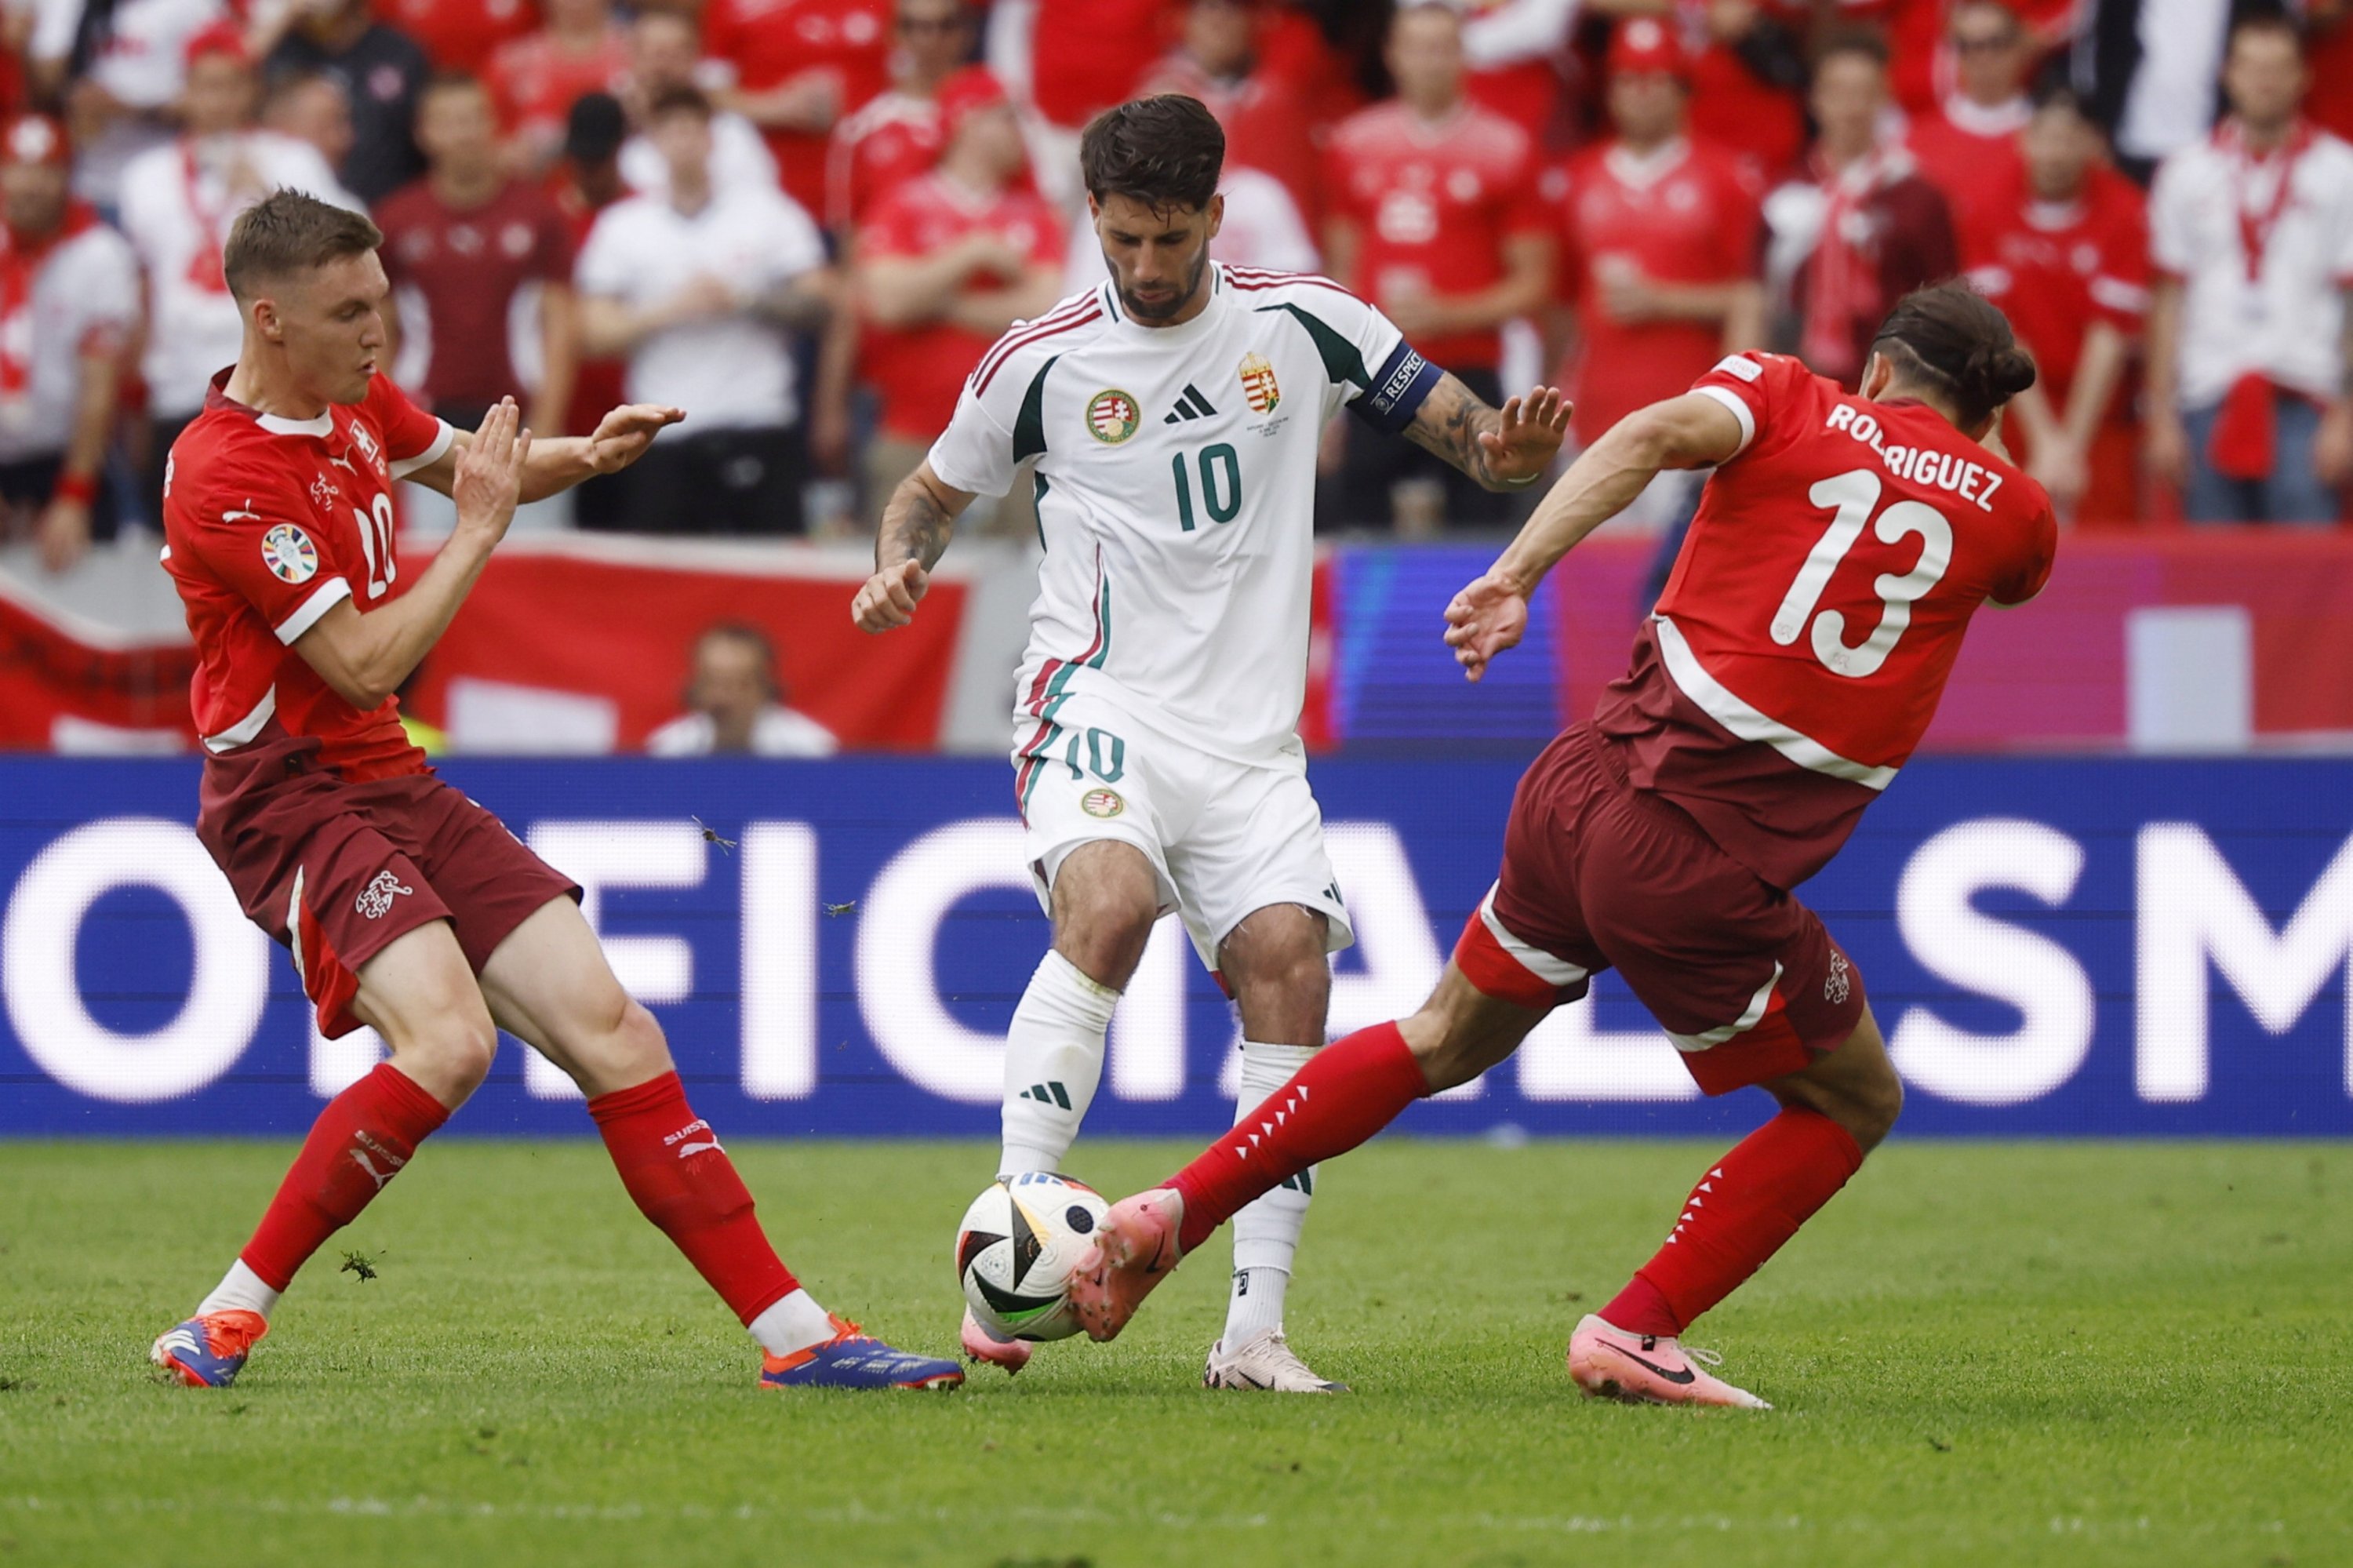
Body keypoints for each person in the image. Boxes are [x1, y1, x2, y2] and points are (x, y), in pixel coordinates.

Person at [1068, 282, 2057, 1410]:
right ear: (1987, 410)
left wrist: (1513, 574)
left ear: (1877, 368)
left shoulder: (1783, 393)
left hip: (1578, 785)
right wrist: (1971, 440)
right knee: (1852, 1100)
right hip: (1701, 857)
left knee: (1437, 1034)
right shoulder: (2016, 508)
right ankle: (1637, 1326)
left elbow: (1644, 436)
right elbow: (2007, 560)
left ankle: (1174, 1208)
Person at [147, 188, 958, 1394]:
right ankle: (222, 1316)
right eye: (350, 311)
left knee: (617, 1032)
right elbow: (367, 657)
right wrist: (475, 532)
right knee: (450, 1040)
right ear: (268, 319)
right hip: (289, 791)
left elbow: (472, 467)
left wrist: (585, 456)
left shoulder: (351, 396)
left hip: (388, 775)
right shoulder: (226, 476)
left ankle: (799, 1335)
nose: (382, 331)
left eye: (381, 299)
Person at [850, 94, 1568, 1392]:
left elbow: (1467, 432)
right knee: (1109, 904)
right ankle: (1011, 1235)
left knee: (1291, 968)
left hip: (1250, 742)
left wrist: (1506, 450)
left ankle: (1253, 1332)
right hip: (1098, 697)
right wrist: (900, 559)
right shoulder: (1042, 359)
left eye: (1168, 239)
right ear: (1096, 222)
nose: (1143, 267)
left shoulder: (1306, 325)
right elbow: (930, 490)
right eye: (1122, 238)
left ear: (1216, 220)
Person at [118, 23, 362, 529]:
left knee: (283, 536)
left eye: (232, 84)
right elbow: (141, 292)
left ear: (252, 90)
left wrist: (269, 195)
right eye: (206, 86)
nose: (219, 100)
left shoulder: (292, 159)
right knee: (187, 544)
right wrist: (135, 394)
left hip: (273, 385)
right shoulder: (144, 176)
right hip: (180, 388)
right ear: (185, 92)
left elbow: (348, 250)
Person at [1324, 2, 1552, 531]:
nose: (1429, 61)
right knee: (1364, 532)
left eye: (1442, 47)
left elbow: (1534, 283)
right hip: (1377, 372)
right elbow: (1340, 272)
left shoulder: (1507, 148)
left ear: (1463, 54)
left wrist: (1446, 313)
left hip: (1468, 370)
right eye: (1417, 47)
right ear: (1392, 55)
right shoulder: (1352, 144)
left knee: (1481, 538)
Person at [574, 86, 833, 534]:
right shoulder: (624, 227)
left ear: (713, 138)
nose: (684, 142)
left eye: (694, 130)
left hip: (758, 417)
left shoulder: (767, 214)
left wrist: (745, 301)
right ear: (652, 142)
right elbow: (593, 333)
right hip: (662, 431)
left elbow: (822, 302)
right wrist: (669, 311)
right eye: (671, 131)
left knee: (767, 580)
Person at [2144, 14, 2353, 527]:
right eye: (2253, 67)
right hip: (2206, 397)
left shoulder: (2340, 170)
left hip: (2306, 399)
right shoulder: (2185, 171)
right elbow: (2168, 300)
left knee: (2304, 586)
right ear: (2226, 73)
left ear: (2303, 76)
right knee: (2213, 589)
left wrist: (2347, 417)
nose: (2266, 81)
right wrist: (2161, 415)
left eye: (2279, 68)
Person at [846, 67, 1062, 526]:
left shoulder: (1033, 212)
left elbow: (1047, 308)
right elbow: (884, 302)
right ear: (968, 121)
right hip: (913, 433)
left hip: (1017, 441)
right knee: (904, 577)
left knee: (1024, 585)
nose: (1017, 133)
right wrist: (972, 254)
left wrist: (937, 304)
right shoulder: (903, 204)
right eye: (1005, 117)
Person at [1551, 20, 1763, 467]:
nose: (1640, 93)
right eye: (1627, 79)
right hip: (1597, 409)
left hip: (1686, 413)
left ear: (1682, 89)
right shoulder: (1580, 178)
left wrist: (1663, 301)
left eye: (1654, 79)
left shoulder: (1726, 179)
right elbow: (1562, 304)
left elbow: (1750, 298)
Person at [1962, 86, 2148, 526]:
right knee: (2010, 533)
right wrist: (2044, 437)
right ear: (2023, 139)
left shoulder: (2125, 210)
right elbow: (2001, 330)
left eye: (2070, 138)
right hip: (2015, 402)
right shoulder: (1987, 208)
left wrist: (2071, 445)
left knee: (2107, 545)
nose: (2055, 152)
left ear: (2092, 144)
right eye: (2045, 137)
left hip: (2100, 408)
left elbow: (2109, 333)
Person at [375, 73, 577, 439]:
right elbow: (382, 328)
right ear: (423, 133)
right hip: (426, 419)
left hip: (520, 414)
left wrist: (547, 424)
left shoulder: (538, 214)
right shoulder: (396, 220)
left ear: (493, 123)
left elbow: (559, 325)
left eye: (472, 119)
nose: (463, 134)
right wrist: (387, 425)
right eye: (449, 122)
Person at [1773, 34, 1957, 390]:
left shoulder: (1916, 196)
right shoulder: (1784, 190)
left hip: (1891, 388)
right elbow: (1756, 294)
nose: (1851, 108)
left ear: (1884, 99)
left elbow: (1945, 307)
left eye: (1864, 93)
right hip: (1797, 384)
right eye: (1838, 92)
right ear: (1815, 99)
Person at [0, 115, 139, 574]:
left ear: (67, 177)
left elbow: (99, 389)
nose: (30, 185)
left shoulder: (100, 255)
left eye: (46, 171)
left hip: (61, 458)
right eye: (17, 168)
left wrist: (73, 497)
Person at [705, 0, 893, 222]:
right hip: (774, 195)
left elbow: (919, 84)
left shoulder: (885, 7)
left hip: (869, 192)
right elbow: (705, 94)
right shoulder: (731, 7)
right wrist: (775, 108)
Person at [1138, 0, 1318, 227]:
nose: (1219, 21)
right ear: (1181, 21)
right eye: (1208, 10)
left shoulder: (1274, 98)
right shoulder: (1158, 96)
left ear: (1253, 22)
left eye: (1232, 11)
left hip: (1261, 234)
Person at [825, 0, 980, 238]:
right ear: (895, 33)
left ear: (966, 33)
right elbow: (850, 234)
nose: (931, 39)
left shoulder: (993, 119)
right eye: (915, 26)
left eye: (945, 26)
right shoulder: (862, 130)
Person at [261, 0, 432, 204]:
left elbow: (426, 136)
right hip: (291, 201)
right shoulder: (279, 51)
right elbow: (228, 94)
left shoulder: (400, 52)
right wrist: (277, 24)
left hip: (387, 208)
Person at [1904, 0, 2034, 238]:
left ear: (2020, 48)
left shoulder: (2050, 136)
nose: (1983, 56)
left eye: (1996, 43)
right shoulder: (1914, 143)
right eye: (1968, 46)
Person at [616, 10, 776, 200]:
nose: (664, 67)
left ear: (694, 59)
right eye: (656, 55)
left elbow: (759, 197)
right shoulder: (609, 121)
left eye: (675, 55)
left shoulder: (729, 130)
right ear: (633, 57)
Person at [646, 623, 839, 757]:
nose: (723, 699)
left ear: (766, 688)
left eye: (739, 684)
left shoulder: (812, 751)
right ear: (693, 687)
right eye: (712, 682)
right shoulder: (667, 751)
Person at [486, 0, 628, 177]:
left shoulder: (637, 57)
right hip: (539, 192)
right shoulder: (513, 63)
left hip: (620, 189)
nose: (575, 5)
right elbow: (490, 142)